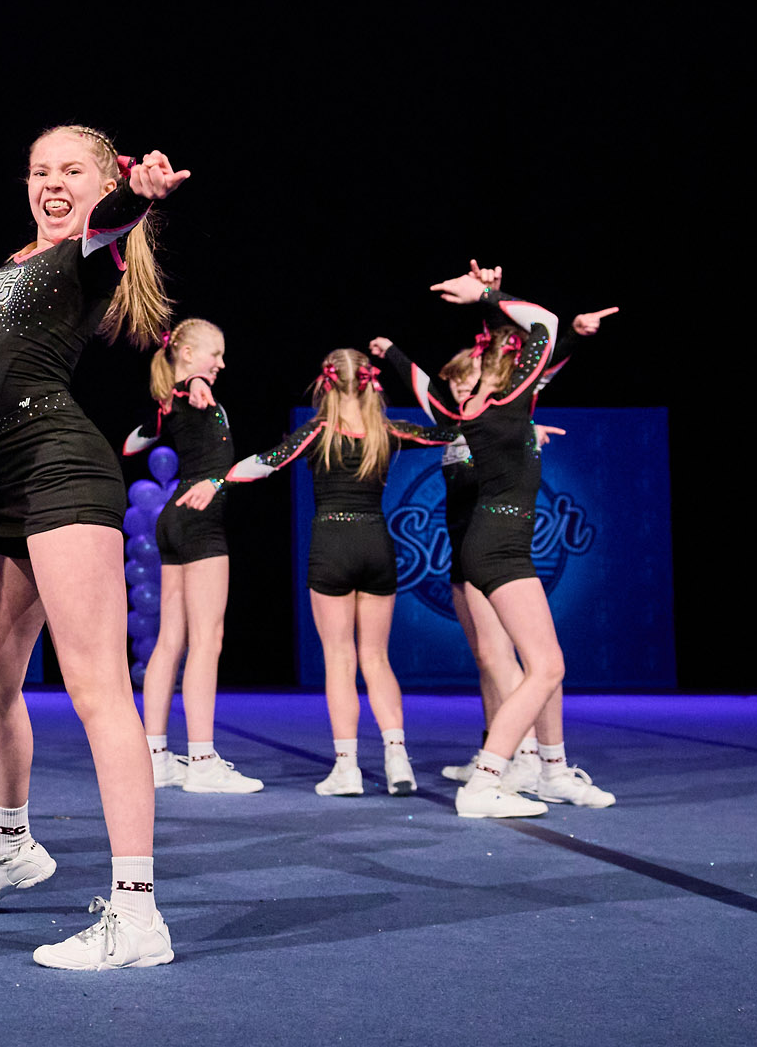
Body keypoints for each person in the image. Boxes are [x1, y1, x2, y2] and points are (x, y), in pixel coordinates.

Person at [0, 125, 184, 971]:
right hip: (6, 478)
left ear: (105, 180)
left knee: (96, 689)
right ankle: (12, 845)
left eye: (71, 171)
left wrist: (137, 197)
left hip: (62, 469)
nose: (51, 183)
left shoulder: (91, 249)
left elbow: (111, 221)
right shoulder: (15, 265)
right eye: (39, 170)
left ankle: (138, 913)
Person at [373, 274, 614, 817]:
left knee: (547, 663)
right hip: (497, 546)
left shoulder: (493, 410)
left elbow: (538, 340)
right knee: (545, 667)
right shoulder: (501, 405)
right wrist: (485, 297)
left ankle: (551, 772)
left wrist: (488, 302)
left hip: (501, 542)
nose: (466, 382)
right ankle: (487, 781)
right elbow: (543, 325)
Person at [197, 349, 458, 795]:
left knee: (340, 657)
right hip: (376, 545)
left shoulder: (317, 431)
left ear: (326, 384)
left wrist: (218, 481)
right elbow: (450, 428)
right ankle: (398, 759)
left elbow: (267, 462)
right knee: (376, 658)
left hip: (332, 546)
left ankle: (347, 768)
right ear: (369, 383)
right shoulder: (388, 429)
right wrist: (399, 359)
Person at [126, 318, 260, 793]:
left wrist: (164, 410)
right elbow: (194, 386)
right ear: (186, 354)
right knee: (207, 640)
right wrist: (195, 383)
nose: (220, 364)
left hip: (173, 520)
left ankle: (156, 757)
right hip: (200, 520)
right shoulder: (194, 390)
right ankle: (202, 762)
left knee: (170, 639)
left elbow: (131, 444)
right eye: (214, 354)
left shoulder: (170, 401)